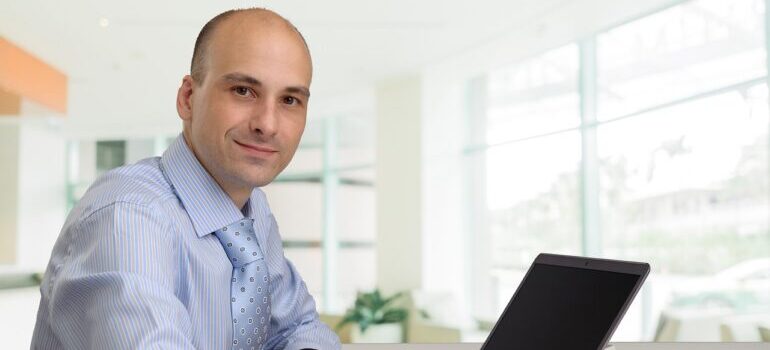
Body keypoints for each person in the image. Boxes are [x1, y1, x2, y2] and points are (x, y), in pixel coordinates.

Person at [31, 8, 340, 350]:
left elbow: (299, 327)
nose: (267, 124)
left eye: (289, 100)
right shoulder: (129, 216)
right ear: (188, 98)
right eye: (242, 91)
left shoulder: (253, 212)